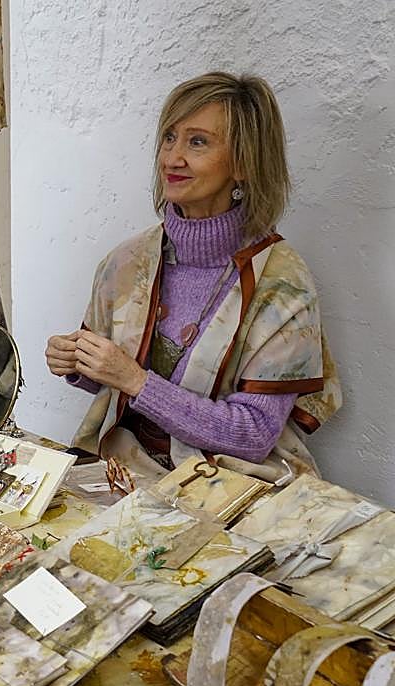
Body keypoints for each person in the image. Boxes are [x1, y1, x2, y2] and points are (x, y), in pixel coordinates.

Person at [45, 72, 340, 482]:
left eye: (197, 142)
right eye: (169, 138)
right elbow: (109, 377)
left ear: (243, 163)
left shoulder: (283, 285)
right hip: (125, 472)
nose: (172, 158)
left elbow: (254, 435)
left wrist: (135, 381)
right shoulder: (127, 261)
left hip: (232, 484)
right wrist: (77, 362)